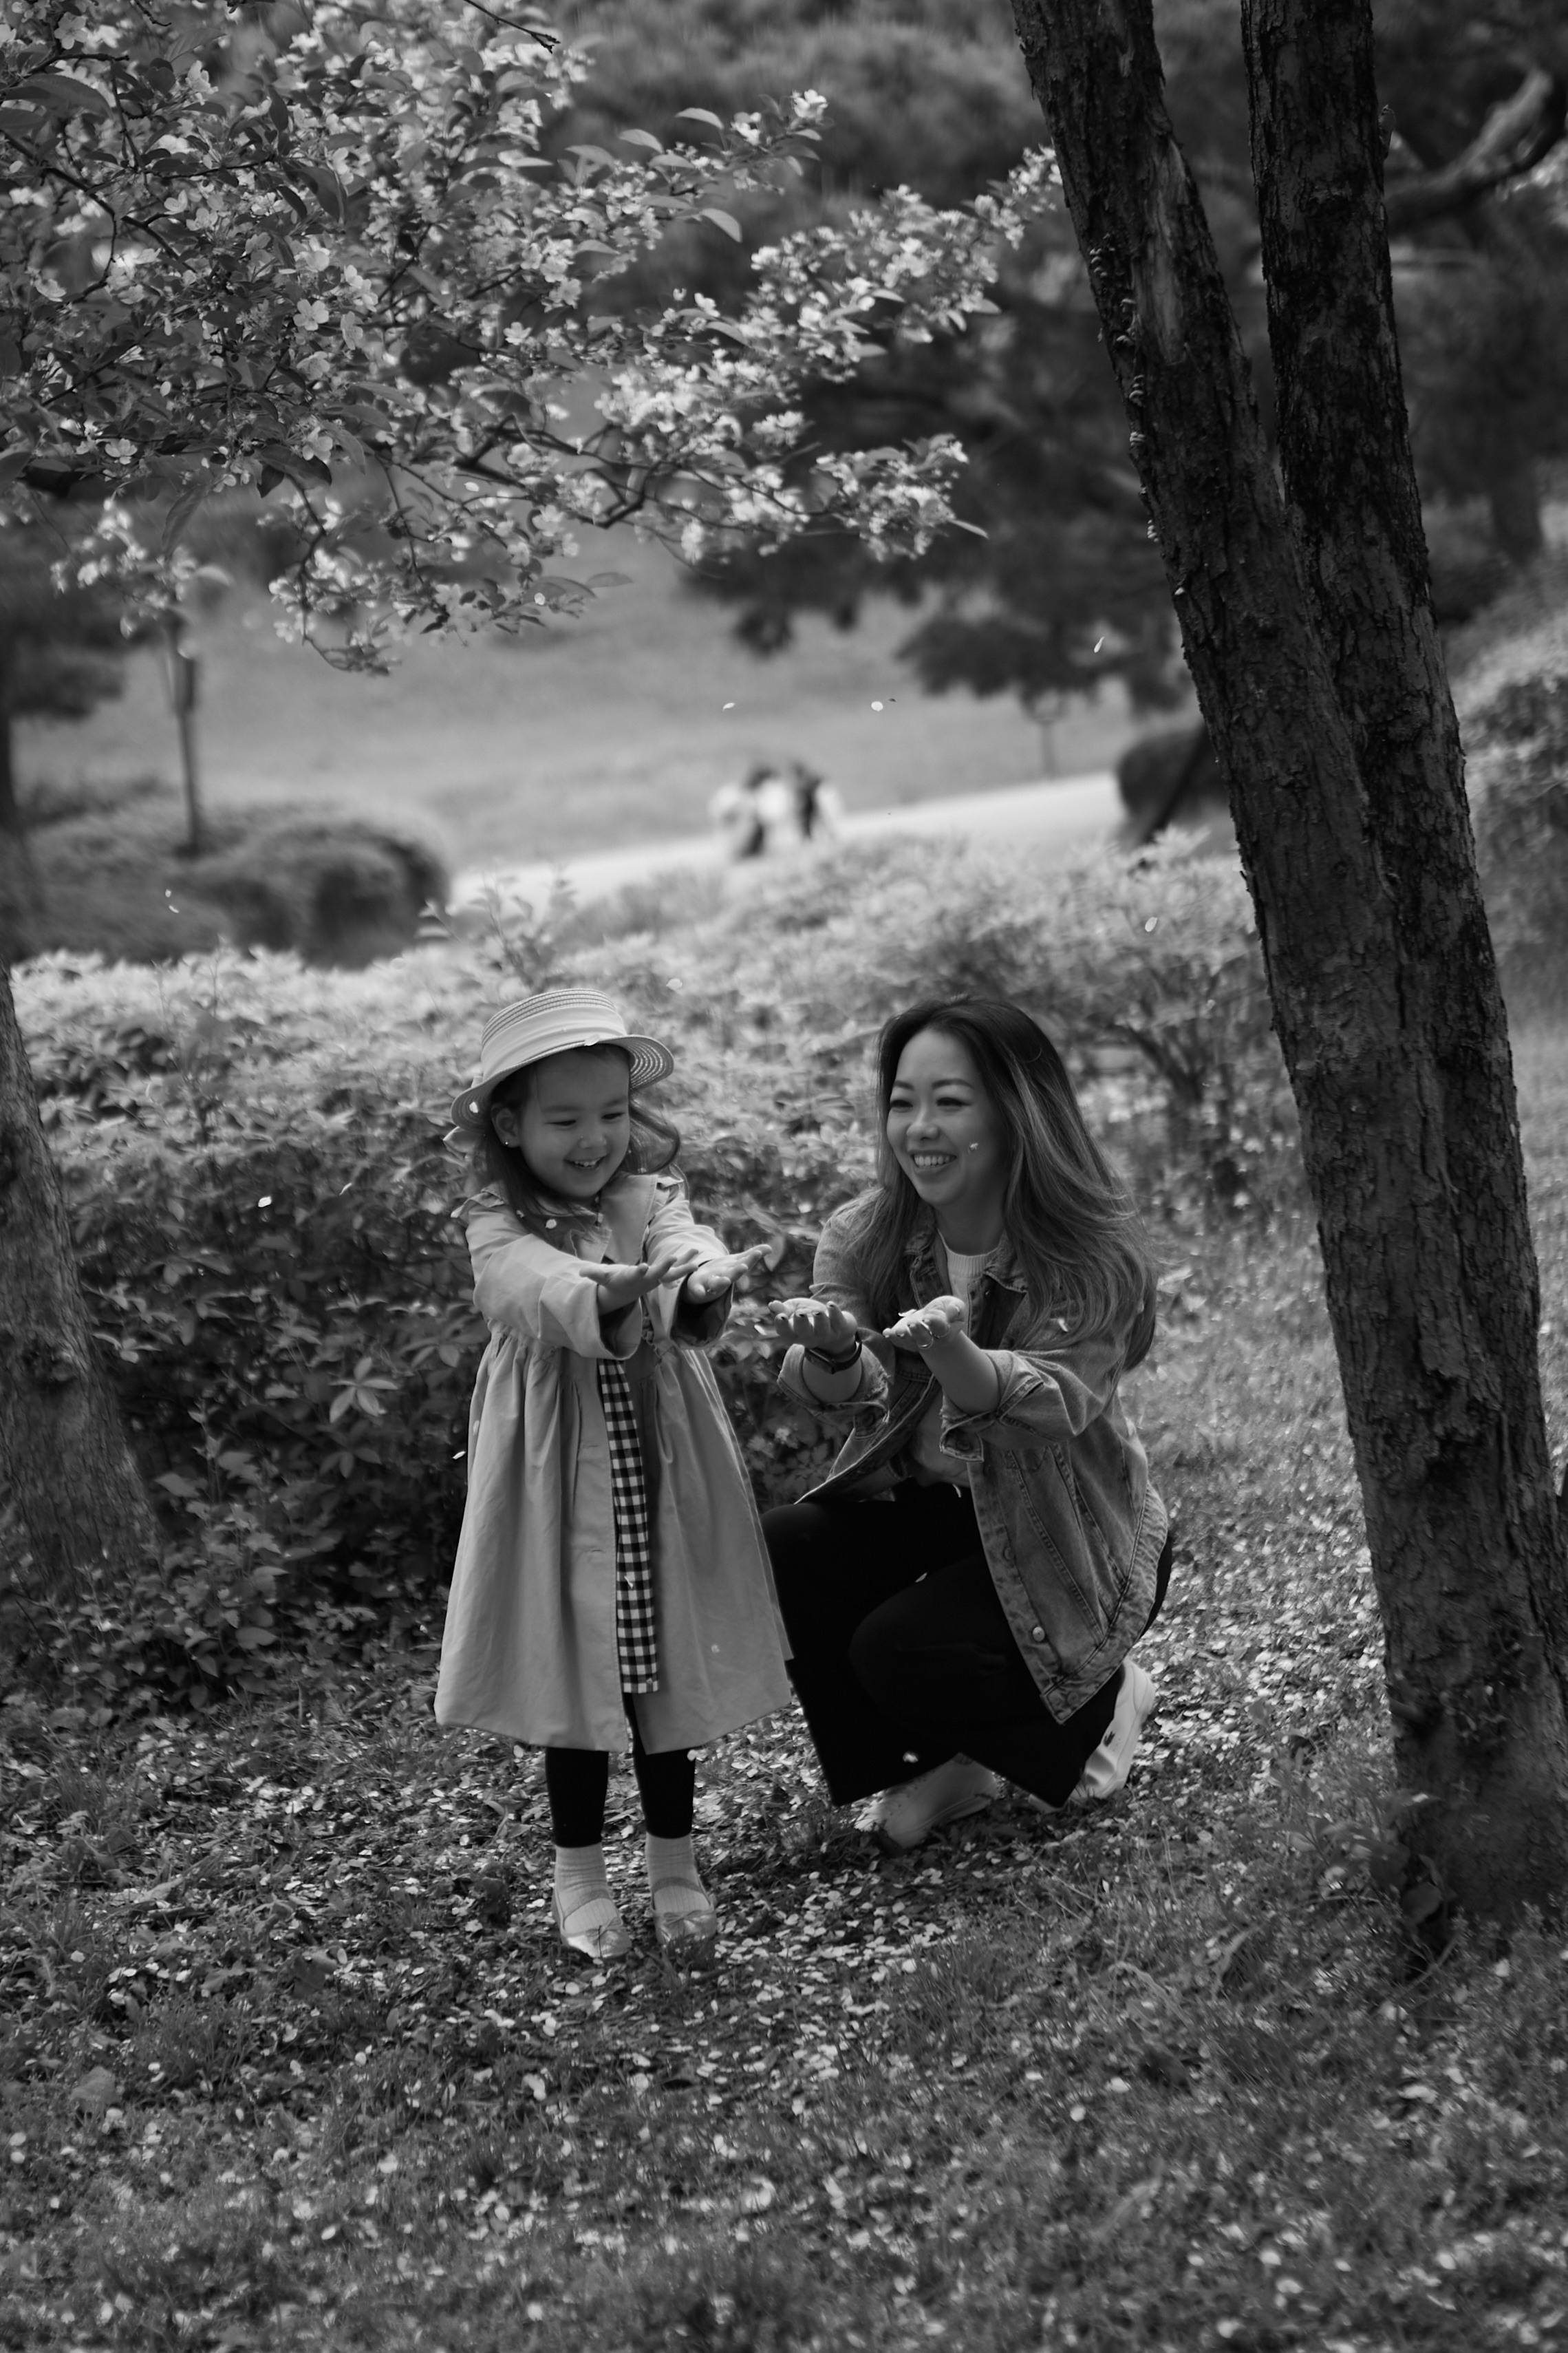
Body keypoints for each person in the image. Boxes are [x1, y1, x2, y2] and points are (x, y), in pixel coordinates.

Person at [763, 996, 1172, 1851]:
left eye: (949, 1101)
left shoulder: (1086, 1251)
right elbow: (846, 1384)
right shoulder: (867, 1230)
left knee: (895, 1649)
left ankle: (1101, 1705)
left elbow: (1052, 1408)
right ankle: (945, 1760)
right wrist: (832, 1353)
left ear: (1016, 1111)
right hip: (940, 1511)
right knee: (785, 1546)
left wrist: (953, 1348)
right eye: (902, 1100)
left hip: (1067, 1533)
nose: (918, 1126)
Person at [436, 987, 793, 1963]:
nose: (593, 1137)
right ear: (510, 1124)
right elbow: (523, 1286)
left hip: (659, 1470)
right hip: (557, 1478)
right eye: (564, 1119)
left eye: (609, 1113)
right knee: (576, 1674)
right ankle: (579, 1875)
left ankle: (675, 1865)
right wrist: (600, 1291)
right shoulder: (496, 1218)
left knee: (665, 1668)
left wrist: (699, 1275)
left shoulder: (647, 1198)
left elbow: (682, 1246)